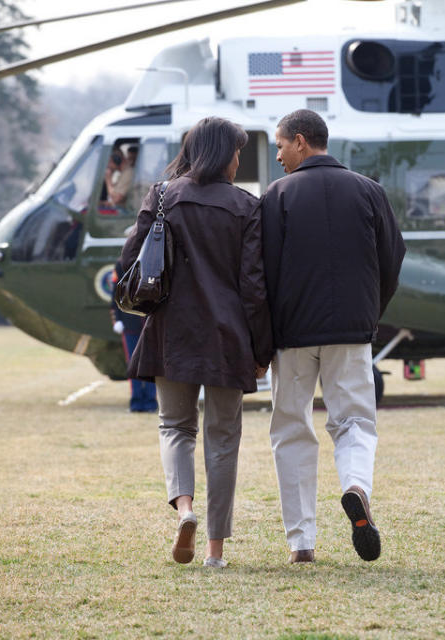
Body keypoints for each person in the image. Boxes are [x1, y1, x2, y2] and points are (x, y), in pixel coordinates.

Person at [116, 117, 273, 568]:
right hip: (228, 338)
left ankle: (184, 510)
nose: (239, 159)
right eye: (238, 152)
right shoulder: (247, 205)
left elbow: (131, 261)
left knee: (175, 427)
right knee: (223, 439)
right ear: (225, 154)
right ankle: (215, 552)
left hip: (171, 334)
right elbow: (254, 286)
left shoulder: (162, 195)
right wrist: (261, 349)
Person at [260, 109, 406, 564]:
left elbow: (262, 271)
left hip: (292, 334)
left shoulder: (277, 195)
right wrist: (368, 313)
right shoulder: (369, 192)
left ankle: (301, 543)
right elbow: (392, 259)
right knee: (355, 422)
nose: (279, 155)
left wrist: (265, 336)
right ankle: (356, 487)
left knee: (291, 431)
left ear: (301, 141)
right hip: (352, 330)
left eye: (281, 145)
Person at [110, 262, 158, 412]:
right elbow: (115, 292)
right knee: (132, 363)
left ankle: (150, 401)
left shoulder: (154, 259)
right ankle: (136, 401)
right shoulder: (121, 263)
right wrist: (116, 318)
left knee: (151, 363)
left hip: (150, 321)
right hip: (130, 322)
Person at [104, 143, 137, 208]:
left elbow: (116, 200)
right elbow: (115, 192)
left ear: (116, 160)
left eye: (109, 162)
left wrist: (108, 179)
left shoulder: (128, 174)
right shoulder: (123, 174)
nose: (108, 166)